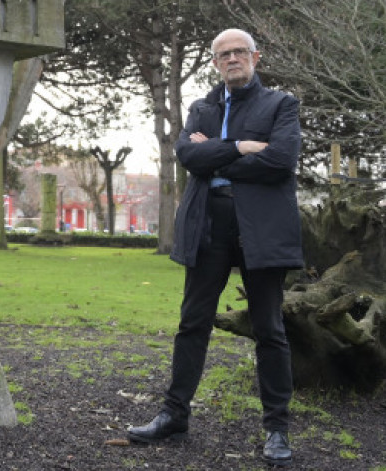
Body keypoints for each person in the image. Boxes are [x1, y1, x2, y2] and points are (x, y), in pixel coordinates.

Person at [126, 28, 302, 467]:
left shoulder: (281, 104)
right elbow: (188, 157)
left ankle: (277, 429)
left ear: (255, 57)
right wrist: (240, 147)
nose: (231, 59)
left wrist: (217, 157)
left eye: (239, 51)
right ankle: (174, 414)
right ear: (214, 63)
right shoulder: (202, 107)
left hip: (261, 226)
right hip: (208, 224)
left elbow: (281, 160)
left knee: (269, 329)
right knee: (192, 323)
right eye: (223, 54)